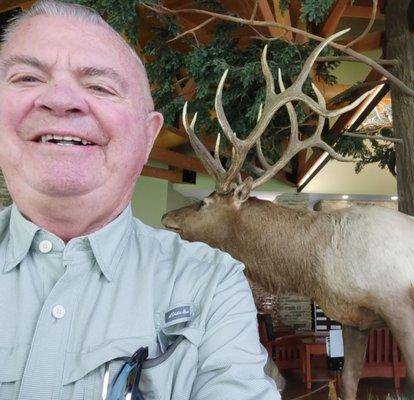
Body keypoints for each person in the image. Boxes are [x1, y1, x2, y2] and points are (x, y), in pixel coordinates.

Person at [0, 1, 280, 399]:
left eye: (99, 86)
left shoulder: (212, 285)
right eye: (27, 77)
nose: (60, 100)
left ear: (148, 139)